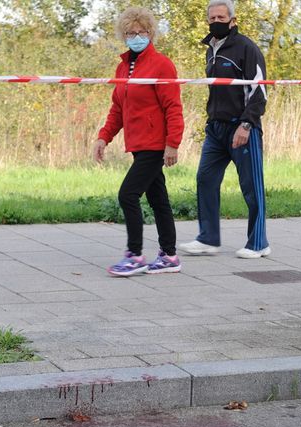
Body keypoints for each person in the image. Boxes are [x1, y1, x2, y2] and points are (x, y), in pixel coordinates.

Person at [92, 7, 185, 277]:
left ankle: (134, 255)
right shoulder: (123, 66)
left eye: (141, 32)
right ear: (124, 35)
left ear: (150, 33)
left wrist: (173, 143)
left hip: (155, 145)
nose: (136, 36)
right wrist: (103, 137)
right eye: (131, 33)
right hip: (137, 143)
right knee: (159, 200)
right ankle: (169, 256)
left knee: (128, 195)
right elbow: (118, 109)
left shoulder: (162, 64)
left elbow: (173, 107)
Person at [179, 0, 270, 259]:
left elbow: (259, 91)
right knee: (205, 179)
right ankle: (208, 238)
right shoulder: (211, 49)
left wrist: (246, 124)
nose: (216, 21)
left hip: (242, 129)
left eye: (221, 17)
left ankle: (259, 242)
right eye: (212, 17)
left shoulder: (247, 48)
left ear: (233, 19)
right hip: (215, 129)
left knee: (252, 186)